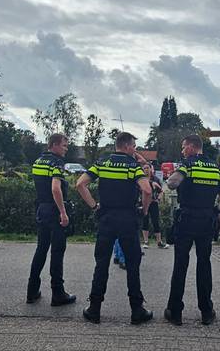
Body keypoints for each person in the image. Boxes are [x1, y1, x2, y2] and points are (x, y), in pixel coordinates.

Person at [74, 131, 154, 324]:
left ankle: (94, 309)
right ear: (126, 146)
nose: (135, 150)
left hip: (106, 219)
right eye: (134, 146)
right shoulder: (132, 166)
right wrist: (143, 209)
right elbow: (147, 189)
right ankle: (137, 310)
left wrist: (94, 205)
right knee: (133, 265)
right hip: (128, 219)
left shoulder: (102, 163)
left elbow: (80, 184)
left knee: (101, 264)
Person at [164, 134, 220, 326]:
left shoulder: (188, 165)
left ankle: (175, 312)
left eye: (184, 147)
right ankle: (207, 312)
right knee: (204, 265)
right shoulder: (216, 169)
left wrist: (174, 176)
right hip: (207, 222)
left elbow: (172, 183)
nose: (183, 151)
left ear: (193, 147)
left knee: (180, 265)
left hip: (186, 221)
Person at [26, 133, 77, 306]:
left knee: (41, 249)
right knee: (57, 251)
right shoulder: (57, 162)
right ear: (54, 144)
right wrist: (63, 212)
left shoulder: (38, 161)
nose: (66, 148)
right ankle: (58, 294)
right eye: (64, 145)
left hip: (41, 208)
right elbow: (56, 188)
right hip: (54, 210)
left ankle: (32, 291)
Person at [141, 164, 167, 249]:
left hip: (153, 202)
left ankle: (159, 242)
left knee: (155, 221)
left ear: (150, 169)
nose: (146, 170)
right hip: (144, 203)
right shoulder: (141, 179)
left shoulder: (156, 179)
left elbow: (161, 191)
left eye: (147, 168)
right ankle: (146, 241)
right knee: (145, 221)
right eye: (144, 168)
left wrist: (158, 199)